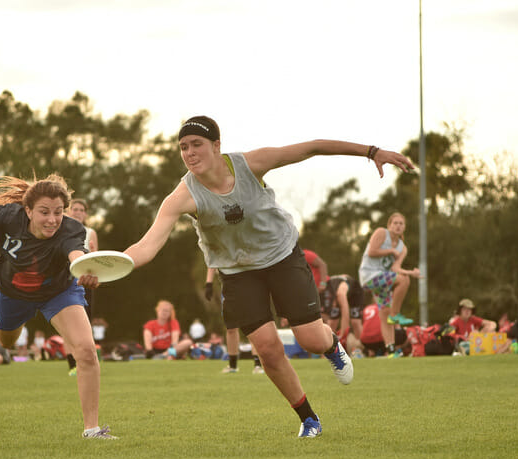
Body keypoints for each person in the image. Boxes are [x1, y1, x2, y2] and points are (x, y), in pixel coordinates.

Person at [124, 115, 413, 437]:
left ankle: (332, 346)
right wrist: (106, 267)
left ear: (217, 146)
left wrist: (372, 152)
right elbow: (146, 247)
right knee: (267, 348)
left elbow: (313, 147)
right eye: (183, 147)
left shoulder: (251, 164)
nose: (189, 153)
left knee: (310, 339)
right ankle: (308, 419)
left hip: (281, 256)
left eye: (197, 145)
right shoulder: (183, 195)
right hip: (236, 272)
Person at [0, 173, 116, 439]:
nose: (52, 219)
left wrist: (84, 268)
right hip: (13, 294)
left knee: (85, 350)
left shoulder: (72, 229)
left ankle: (92, 430)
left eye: (58, 212)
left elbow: (76, 254)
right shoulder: (9, 217)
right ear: (28, 210)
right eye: (44, 212)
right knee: (7, 342)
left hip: (59, 292)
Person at [358, 212, 421, 357]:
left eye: (401, 223)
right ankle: (396, 313)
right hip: (369, 276)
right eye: (395, 223)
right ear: (389, 225)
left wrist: (411, 272)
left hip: (383, 280)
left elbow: (395, 269)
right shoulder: (381, 233)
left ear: (404, 227)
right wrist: (390, 250)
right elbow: (372, 251)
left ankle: (391, 350)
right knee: (403, 281)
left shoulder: (402, 248)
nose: (398, 226)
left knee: (385, 314)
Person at [205, 267, 263, 374]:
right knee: (231, 327)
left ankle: (258, 364)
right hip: (228, 286)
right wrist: (208, 283)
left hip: (248, 282)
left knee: (252, 325)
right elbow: (212, 259)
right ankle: (232, 365)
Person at [65, 198, 99, 376]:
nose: (77, 212)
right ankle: (72, 364)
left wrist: (93, 253)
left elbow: (96, 260)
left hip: (85, 283)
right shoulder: (61, 229)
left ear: (85, 214)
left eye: (81, 209)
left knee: (85, 323)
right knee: (67, 324)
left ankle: (86, 361)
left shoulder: (90, 232)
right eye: (74, 209)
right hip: (65, 281)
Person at [320, 274, 365, 357]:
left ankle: (362, 348)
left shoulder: (340, 294)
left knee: (355, 322)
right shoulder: (325, 295)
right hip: (337, 287)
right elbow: (325, 319)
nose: (333, 307)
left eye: (333, 305)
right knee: (332, 324)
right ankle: (328, 352)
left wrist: (343, 335)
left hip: (355, 293)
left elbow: (345, 313)